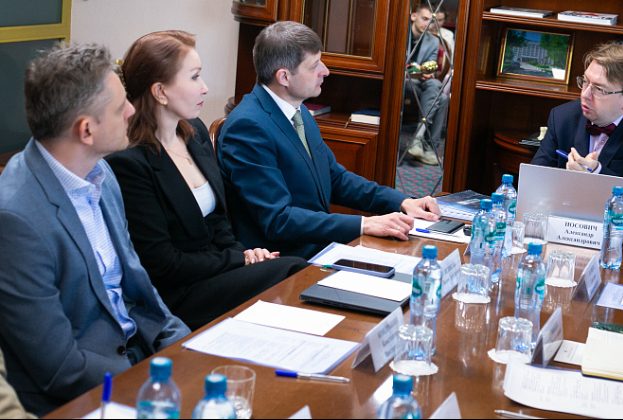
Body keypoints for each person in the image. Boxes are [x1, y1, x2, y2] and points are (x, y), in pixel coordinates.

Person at [0, 43, 190, 415]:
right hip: (81, 396)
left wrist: (185, 347)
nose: (132, 110)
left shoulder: (100, 171)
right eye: (120, 107)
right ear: (86, 130)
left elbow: (136, 287)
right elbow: (59, 368)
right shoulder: (16, 219)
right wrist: (151, 379)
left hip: (140, 360)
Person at [106, 31, 308, 330]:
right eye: (194, 77)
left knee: (297, 270)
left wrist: (245, 253)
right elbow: (163, 264)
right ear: (160, 92)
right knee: (293, 271)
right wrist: (238, 260)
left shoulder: (194, 131)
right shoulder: (129, 162)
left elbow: (218, 221)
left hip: (217, 269)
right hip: (179, 292)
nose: (205, 88)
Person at [218, 21, 440, 259]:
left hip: (319, 246)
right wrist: (364, 224)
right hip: (285, 259)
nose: (325, 71)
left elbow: (335, 178)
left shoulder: (299, 111)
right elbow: (278, 219)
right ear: (284, 77)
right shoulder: (247, 127)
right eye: (315, 65)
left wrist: (401, 201)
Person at [531, 41, 623, 221]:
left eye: (598, 89)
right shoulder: (562, 117)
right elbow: (534, 183)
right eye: (585, 82)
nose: (585, 94)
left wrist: (596, 173)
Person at [404, 3, 449, 166]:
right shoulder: (402, 33)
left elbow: (430, 66)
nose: (427, 24)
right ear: (413, 16)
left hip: (419, 82)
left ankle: (421, 141)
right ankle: (425, 145)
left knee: (440, 94)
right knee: (440, 97)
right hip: (400, 81)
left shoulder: (433, 41)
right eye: (424, 18)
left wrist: (427, 72)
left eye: (431, 21)